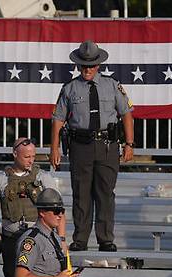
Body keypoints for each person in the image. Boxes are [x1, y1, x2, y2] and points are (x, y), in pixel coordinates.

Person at [50, 40, 135, 252]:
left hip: (107, 145)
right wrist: (54, 147)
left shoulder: (112, 85)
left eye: (91, 65)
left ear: (98, 65)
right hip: (80, 146)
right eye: (83, 65)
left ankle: (106, 238)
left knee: (105, 193)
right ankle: (80, 239)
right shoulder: (70, 88)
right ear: (78, 66)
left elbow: (126, 114)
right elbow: (58, 119)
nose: (87, 70)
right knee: (82, 193)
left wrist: (129, 144)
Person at [0, 137, 66, 277]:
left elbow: (58, 210)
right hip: (11, 238)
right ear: (14, 154)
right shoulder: (0, 180)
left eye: (33, 156)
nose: (31, 160)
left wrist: (61, 240)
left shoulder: (43, 178)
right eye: (26, 157)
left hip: (38, 240)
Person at [15, 189, 80, 277]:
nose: (60, 215)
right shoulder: (31, 240)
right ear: (42, 212)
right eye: (55, 211)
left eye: (62, 211)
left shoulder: (55, 237)